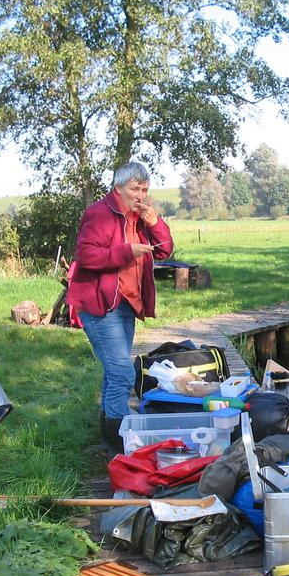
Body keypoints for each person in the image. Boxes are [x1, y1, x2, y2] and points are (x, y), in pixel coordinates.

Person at [67, 161, 173, 453]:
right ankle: (119, 444)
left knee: (114, 372)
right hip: (100, 305)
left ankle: (107, 435)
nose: (140, 195)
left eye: (144, 189)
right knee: (123, 373)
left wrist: (154, 222)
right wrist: (127, 251)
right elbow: (87, 256)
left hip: (126, 302)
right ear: (118, 188)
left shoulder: (140, 216)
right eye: (133, 189)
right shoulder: (99, 214)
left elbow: (165, 250)